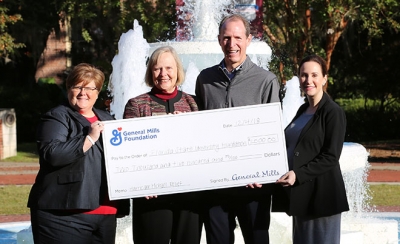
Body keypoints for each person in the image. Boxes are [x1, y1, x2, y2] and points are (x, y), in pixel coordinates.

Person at [195, 14, 281, 244]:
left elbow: (271, 135)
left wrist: (262, 172)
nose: (231, 44)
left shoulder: (266, 81)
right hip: (215, 185)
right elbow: (199, 128)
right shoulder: (205, 79)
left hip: (253, 186)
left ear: (248, 39)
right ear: (219, 40)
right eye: (226, 38)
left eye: (237, 37)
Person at [28, 63, 129, 243]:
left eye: (90, 88)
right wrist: (89, 139)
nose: (84, 93)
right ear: (69, 89)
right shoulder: (56, 116)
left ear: (97, 92)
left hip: (106, 213)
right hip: (64, 216)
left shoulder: (107, 119)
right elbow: (52, 154)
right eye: (78, 87)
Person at [123, 46, 201, 244]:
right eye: (157, 69)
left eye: (169, 68)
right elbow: (128, 152)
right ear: (151, 72)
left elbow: (203, 144)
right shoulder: (137, 105)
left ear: (178, 71)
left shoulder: (193, 103)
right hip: (152, 195)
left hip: (189, 194)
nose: (163, 74)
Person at [276, 54, 349, 244]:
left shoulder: (333, 112)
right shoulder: (302, 110)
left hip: (322, 198)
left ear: (324, 78)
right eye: (303, 75)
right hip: (302, 196)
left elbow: (331, 156)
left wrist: (297, 174)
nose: (308, 80)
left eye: (314, 75)